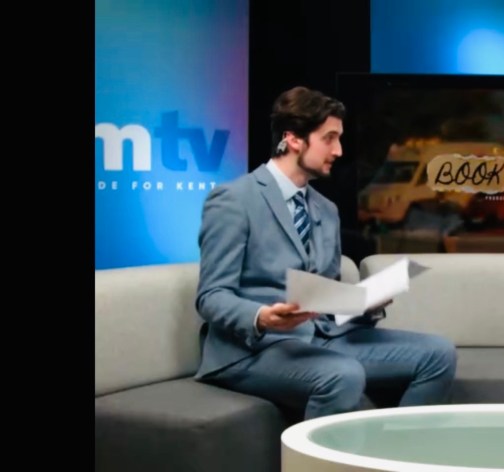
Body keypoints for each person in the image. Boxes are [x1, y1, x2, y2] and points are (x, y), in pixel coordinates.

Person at [193, 86, 457, 420]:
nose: (339, 150)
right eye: (329, 138)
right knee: (343, 374)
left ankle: (398, 448)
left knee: (439, 354)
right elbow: (212, 296)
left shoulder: (326, 210)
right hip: (255, 349)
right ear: (293, 139)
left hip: (323, 339)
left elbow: (322, 298)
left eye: (339, 139)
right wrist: (262, 316)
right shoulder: (234, 199)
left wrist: (363, 303)